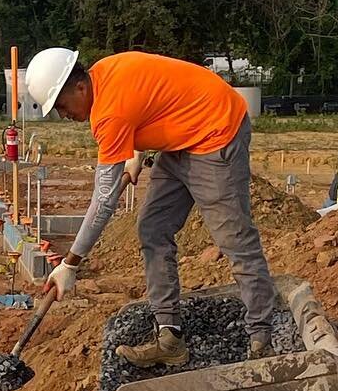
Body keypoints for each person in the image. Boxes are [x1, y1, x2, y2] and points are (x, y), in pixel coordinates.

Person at [24, 48, 276, 369]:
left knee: (234, 239)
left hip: (216, 131)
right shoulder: (102, 74)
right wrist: (135, 151)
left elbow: (103, 202)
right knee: (152, 228)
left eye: (61, 105)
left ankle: (261, 340)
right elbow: (154, 100)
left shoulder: (108, 113)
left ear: (80, 88)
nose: (63, 115)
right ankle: (170, 337)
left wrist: (70, 264)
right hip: (182, 137)